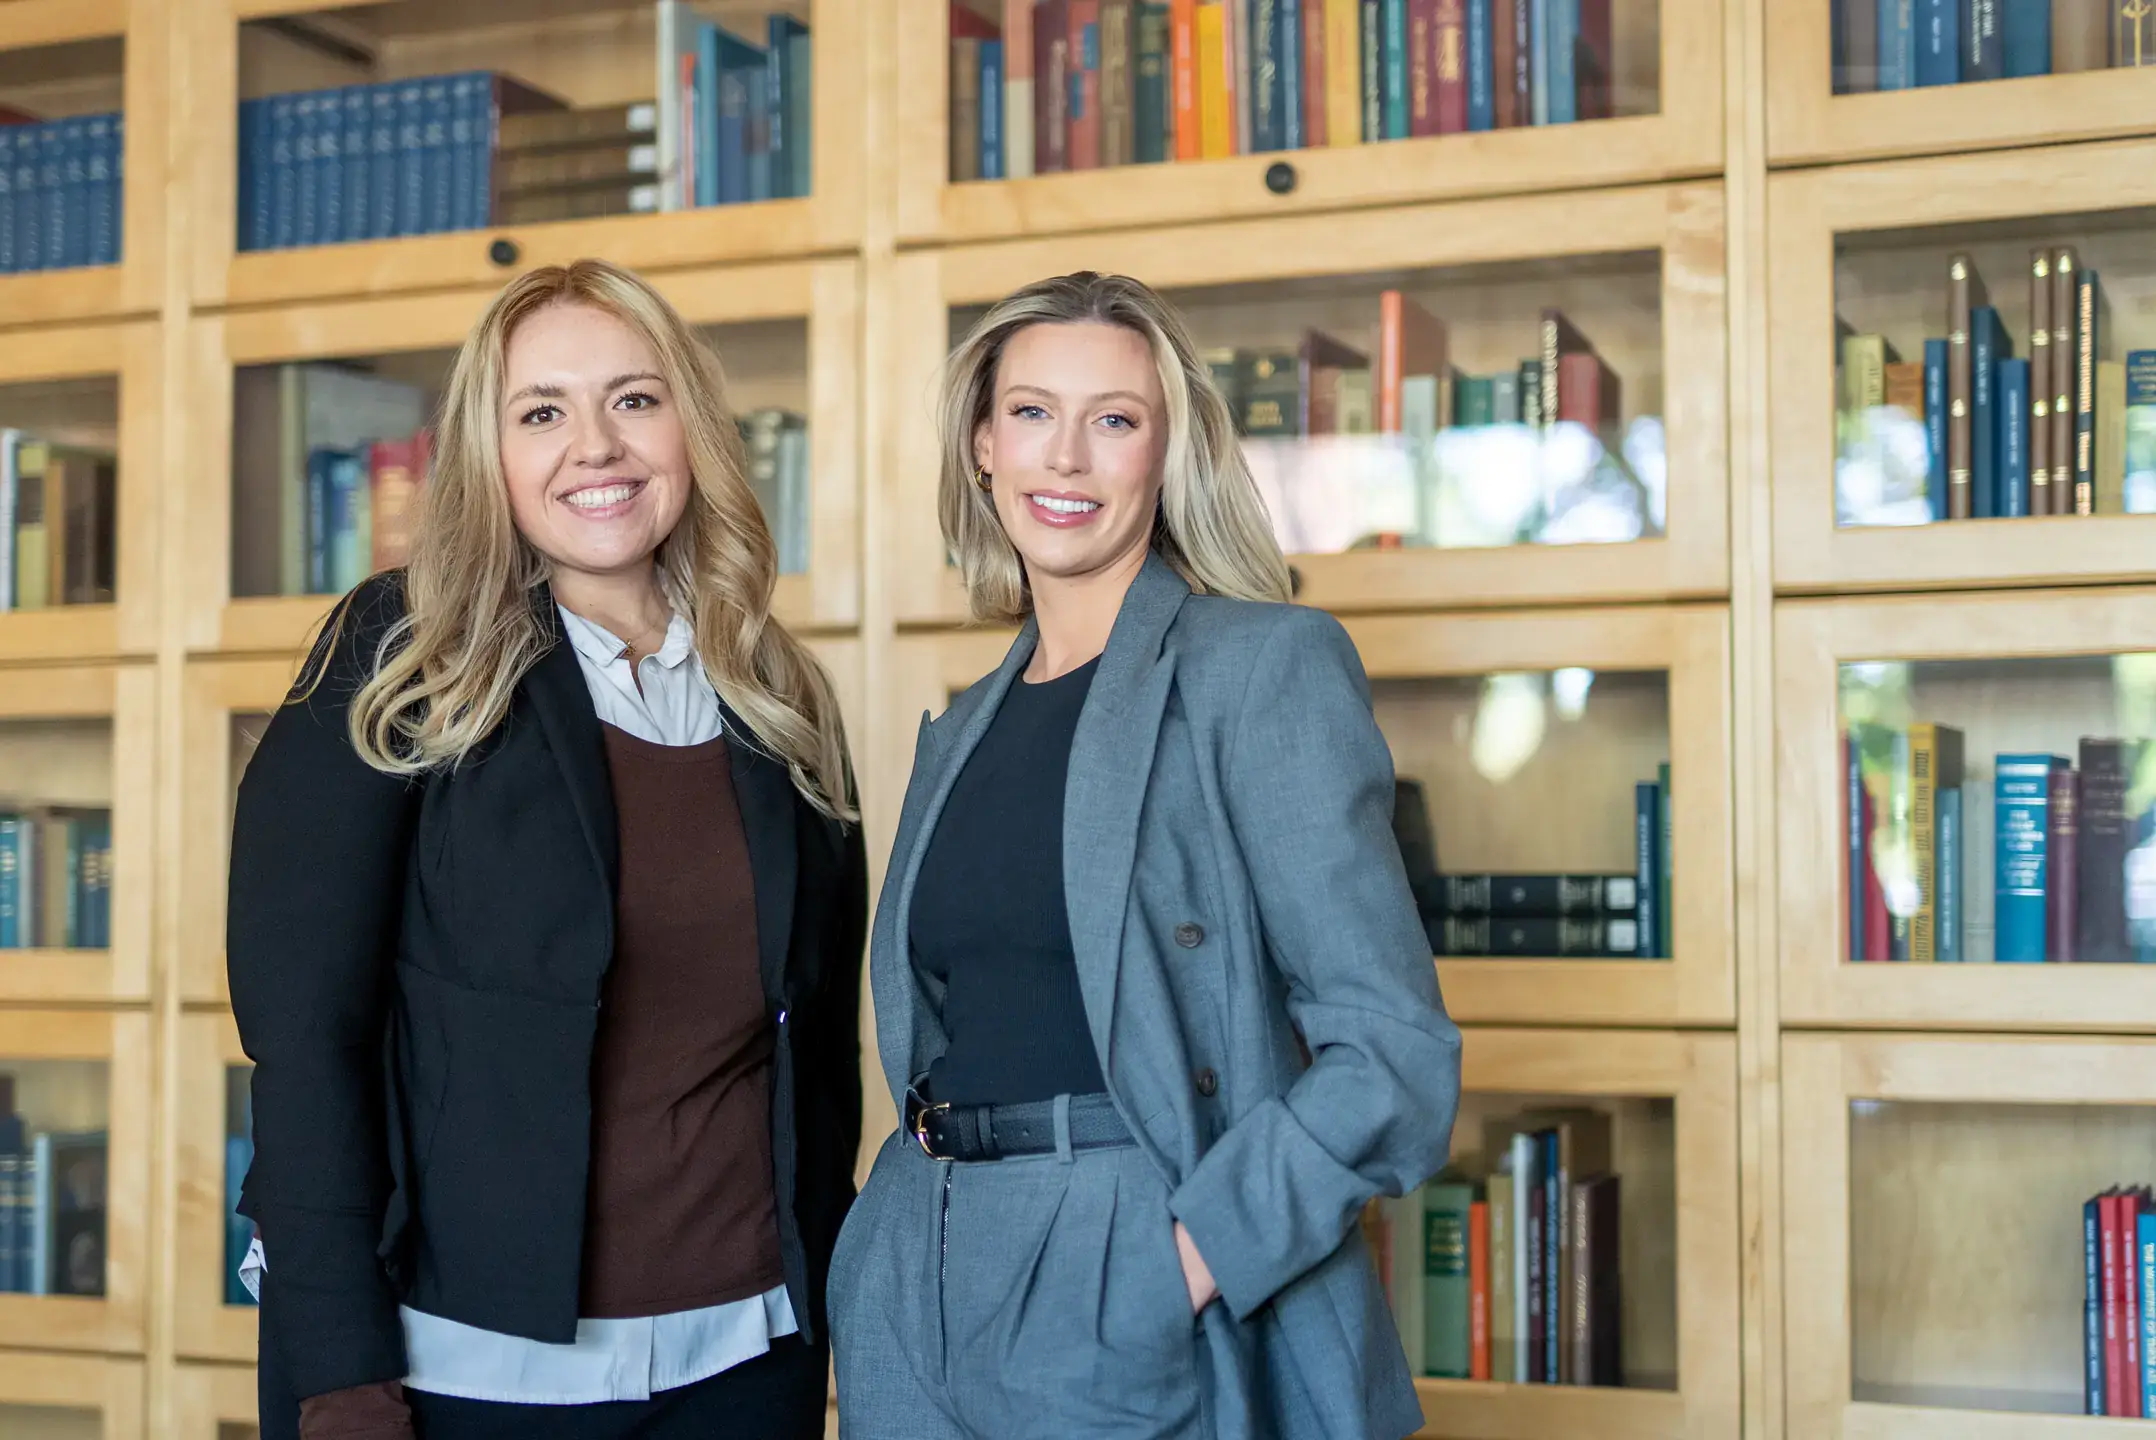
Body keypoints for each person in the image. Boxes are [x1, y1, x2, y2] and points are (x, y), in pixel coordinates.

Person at [227, 259, 865, 1440]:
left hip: (744, 1360)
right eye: (541, 412)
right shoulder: (402, 656)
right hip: (464, 1367)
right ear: (489, 454)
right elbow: (305, 1036)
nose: (595, 447)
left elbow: (815, 1052)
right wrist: (339, 1372)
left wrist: (829, 1313)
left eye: (634, 398)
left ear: (691, 428)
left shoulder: (777, 694)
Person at [828, 270, 1462, 1440]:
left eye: (1112, 420)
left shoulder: (1258, 670)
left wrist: (1177, 1267)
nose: (1063, 457)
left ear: (1165, 455)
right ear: (980, 444)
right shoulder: (961, 726)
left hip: (1125, 1244)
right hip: (914, 1266)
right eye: (1029, 413)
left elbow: (1392, 1052)